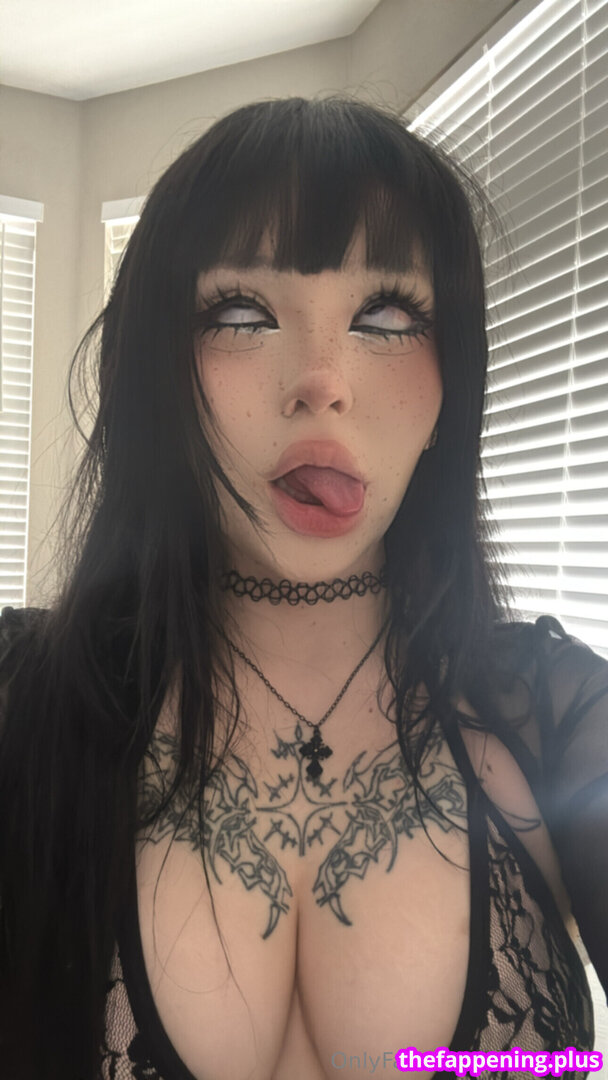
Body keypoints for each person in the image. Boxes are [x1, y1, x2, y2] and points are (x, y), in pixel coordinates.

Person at [0, 95, 606, 1080]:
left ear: (450, 386)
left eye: (387, 315)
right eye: (240, 313)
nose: (320, 381)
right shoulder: (20, 698)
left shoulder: (558, 718)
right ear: (158, 373)